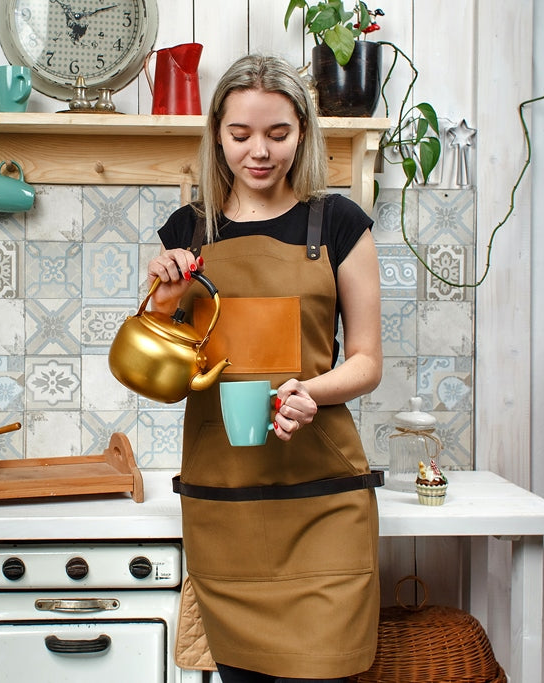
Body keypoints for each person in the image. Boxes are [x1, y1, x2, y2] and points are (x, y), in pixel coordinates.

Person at [147, 54, 384, 682]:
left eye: (278, 134)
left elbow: (366, 362)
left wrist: (312, 390)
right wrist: (165, 304)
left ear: (302, 132)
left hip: (322, 499)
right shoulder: (187, 231)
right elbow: (164, 383)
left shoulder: (339, 224)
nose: (260, 151)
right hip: (225, 504)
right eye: (241, 134)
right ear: (217, 135)